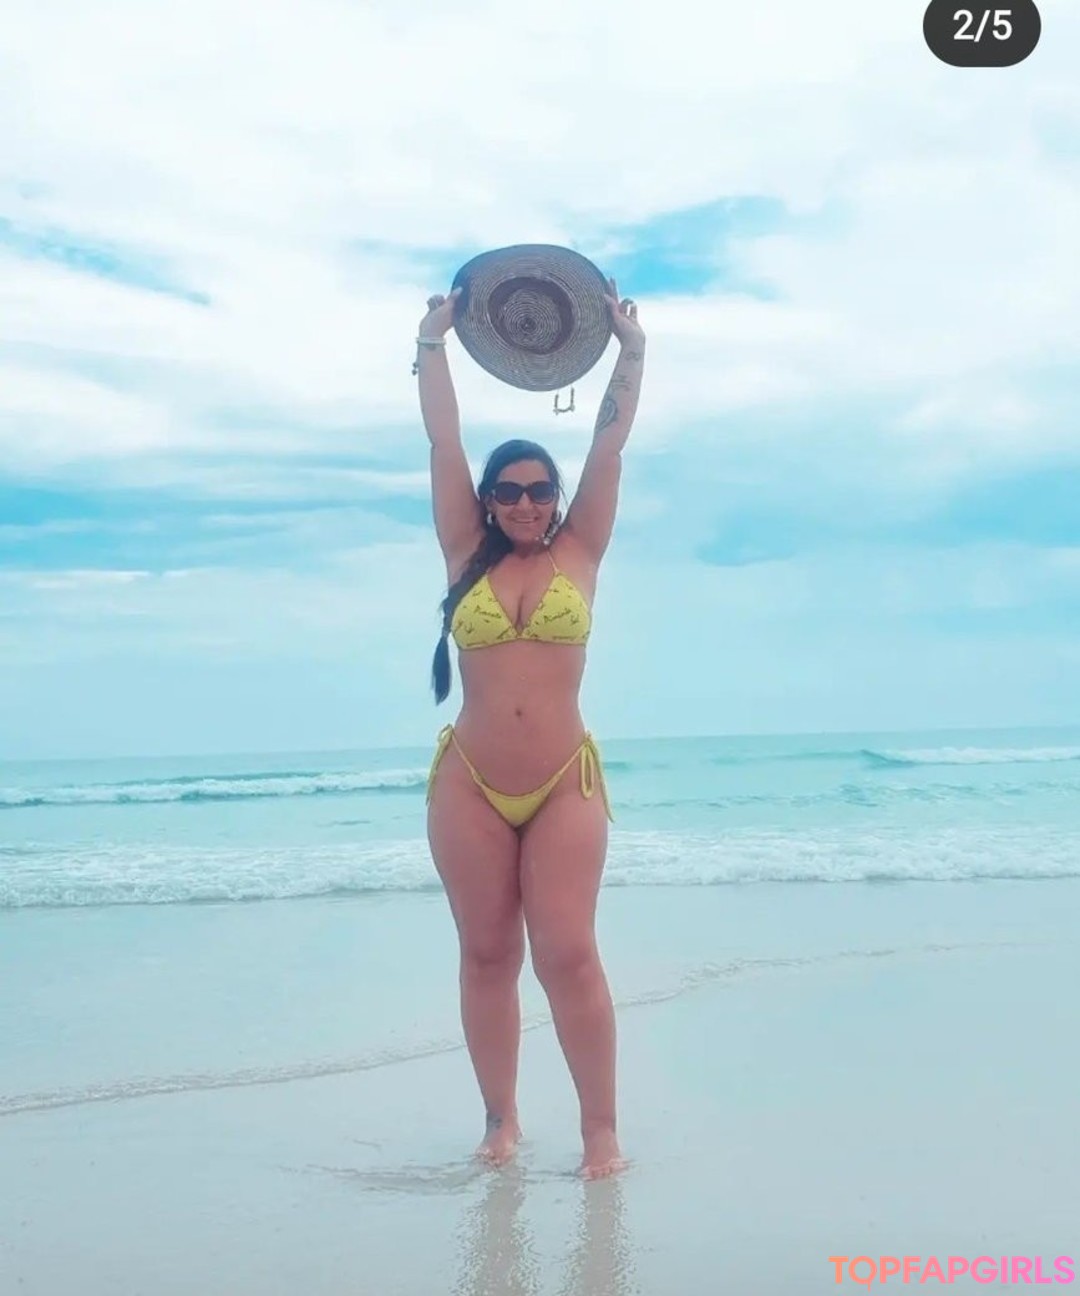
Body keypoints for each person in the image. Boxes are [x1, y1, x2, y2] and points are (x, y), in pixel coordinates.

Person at [416, 276, 645, 1179]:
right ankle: (501, 1121)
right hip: (469, 781)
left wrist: (632, 352)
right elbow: (443, 440)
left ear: (554, 496)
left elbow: (610, 444)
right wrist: (432, 343)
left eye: (538, 490)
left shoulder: (579, 551)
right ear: (487, 499)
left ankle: (600, 1133)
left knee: (568, 954)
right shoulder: (461, 552)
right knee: (485, 953)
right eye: (507, 491)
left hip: (561, 783)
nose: (524, 503)